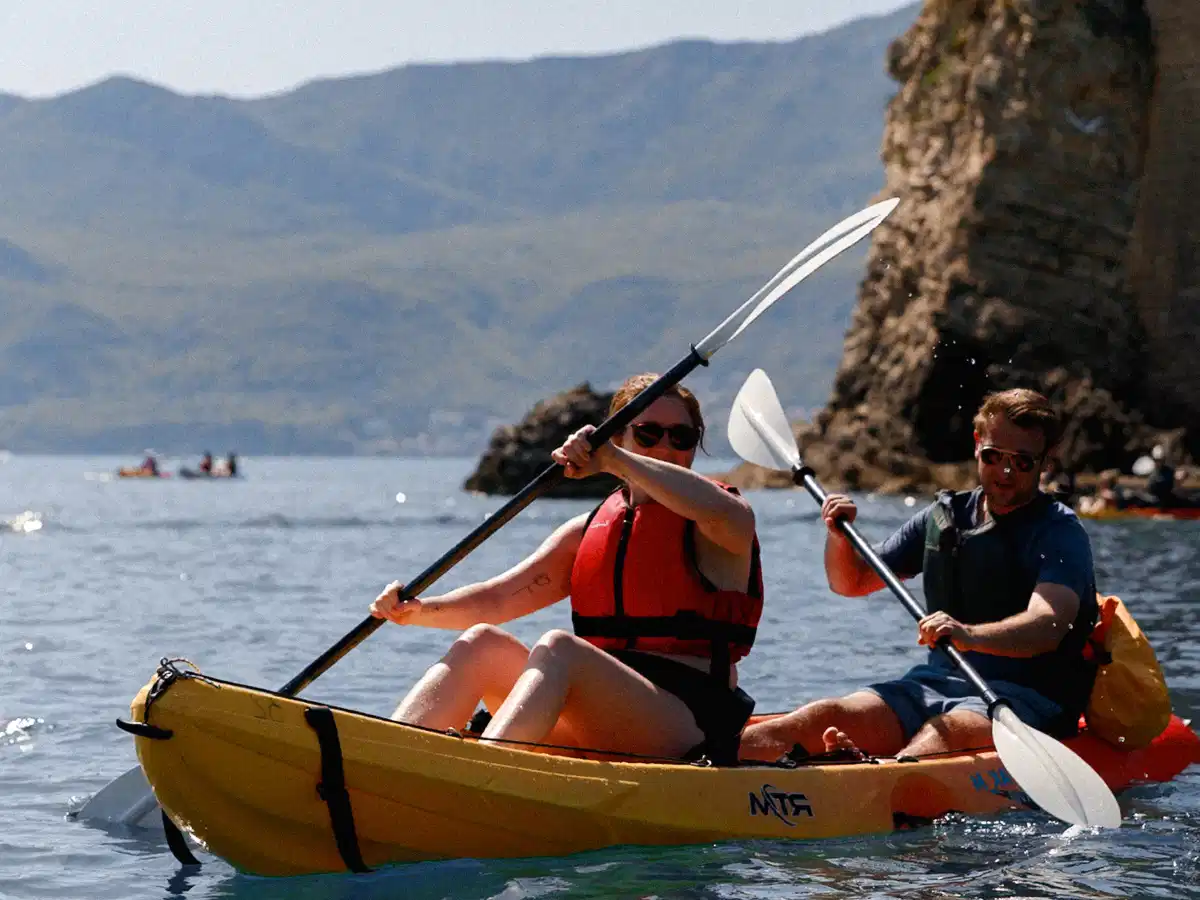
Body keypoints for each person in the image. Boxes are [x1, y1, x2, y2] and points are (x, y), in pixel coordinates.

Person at [370, 374, 763, 763]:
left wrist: (614, 458)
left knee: (559, 648)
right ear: (622, 434)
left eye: (681, 437)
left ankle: (486, 771)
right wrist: (416, 611)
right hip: (601, 720)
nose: (664, 446)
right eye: (647, 433)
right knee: (481, 643)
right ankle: (385, 764)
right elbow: (495, 598)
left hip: (689, 729)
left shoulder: (722, 522)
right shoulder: (587, 531)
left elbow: (720, 509)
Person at [740, 388, 1099, 762]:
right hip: (930, 688)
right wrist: (838, 538)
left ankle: (874, 773)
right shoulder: (944, 518)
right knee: (825, 715)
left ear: (1046, 460)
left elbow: (1048, 625)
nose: (1006, 472)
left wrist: (967, 635)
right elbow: (852, 583)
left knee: (945, 733)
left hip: (1024, 701)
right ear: (978, 444)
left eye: (1023, 462)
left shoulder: (1059, 532)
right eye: (994, 456)